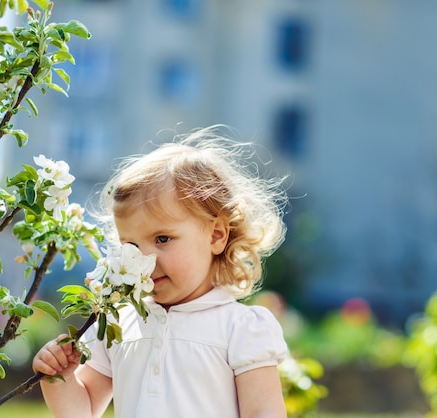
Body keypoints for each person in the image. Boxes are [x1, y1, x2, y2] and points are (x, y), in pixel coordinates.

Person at [32, 126, 289, 418]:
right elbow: (84, 411)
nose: (145, 260)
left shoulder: (240, 329)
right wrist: (60, 378)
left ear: (216, 236)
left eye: (162, 239)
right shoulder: (117, 325)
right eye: (130, 244)